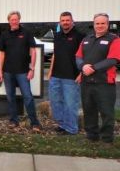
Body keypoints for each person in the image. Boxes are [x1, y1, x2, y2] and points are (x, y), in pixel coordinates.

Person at [76, 13, 120, 144]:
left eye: (103, 23)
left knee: (106, 112)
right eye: (97, 23)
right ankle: (91, 136)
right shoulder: (86, 39)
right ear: (93, 24)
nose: (100, 26)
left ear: (108, 24)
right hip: (86, 82)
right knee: (89, 110)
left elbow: (113, 59)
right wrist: (83, 66)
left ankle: (107, 139)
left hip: (104, 83)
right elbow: (78, 57)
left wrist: (93, 68)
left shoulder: (114, 39)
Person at [0, 11, 41, 129]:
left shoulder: (26, 33)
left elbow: (33, 51)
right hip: (8, 71)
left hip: (23, 71)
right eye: (12, 19)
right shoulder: (5, 34)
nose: (14, 21)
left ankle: (35, 123)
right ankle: (13, 120)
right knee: (10, 97)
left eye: (16, 19)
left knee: (28, 96)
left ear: (19, 20)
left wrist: (32, 68)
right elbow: (1, 54)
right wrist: (0, 71)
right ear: (9, 21)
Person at [47, 12, 84, 135]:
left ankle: (72, 128)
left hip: (71, 77)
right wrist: (50, 71)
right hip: (56, 76)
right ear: (60, 22)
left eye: (68, 20)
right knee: (55, 102)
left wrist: (81, 73)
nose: (65, 22)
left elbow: (84, 56)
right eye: (63, 20)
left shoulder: (79, 36)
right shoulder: (57, 36)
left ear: (72, 21)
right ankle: (63, 125)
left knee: (70, 104)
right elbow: (55, 54)